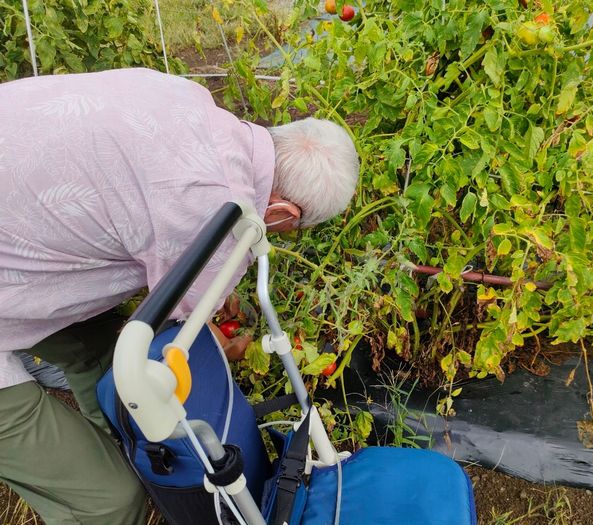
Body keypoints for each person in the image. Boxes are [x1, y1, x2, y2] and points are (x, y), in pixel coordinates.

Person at [0, 68, 359, 524]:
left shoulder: (190, 99)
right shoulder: (222, 215)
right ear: (282, 213)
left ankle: (123, 439)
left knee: (97, 347)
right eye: (292, 229)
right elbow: (176, 346)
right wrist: (221, 347)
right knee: (110, 500)